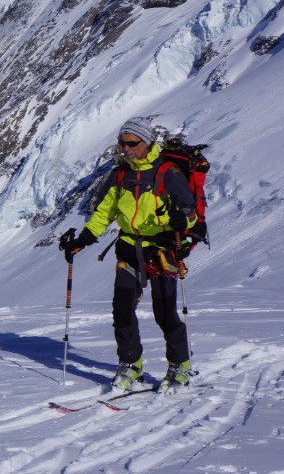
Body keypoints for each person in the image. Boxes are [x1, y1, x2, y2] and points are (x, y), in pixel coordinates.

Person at [59, 116, 199, 394]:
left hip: (161, 251)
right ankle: (131, 364)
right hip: (129, 249)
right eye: (122, 143)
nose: (125, 148)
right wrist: (83, 240)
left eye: (132, 143)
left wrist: (182, 220)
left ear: (146, 143)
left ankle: (179, 365)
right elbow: (104, 213)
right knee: (122, 311)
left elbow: (190, 210)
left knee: (164, 314)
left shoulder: (168, 173)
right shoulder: (121, 174)